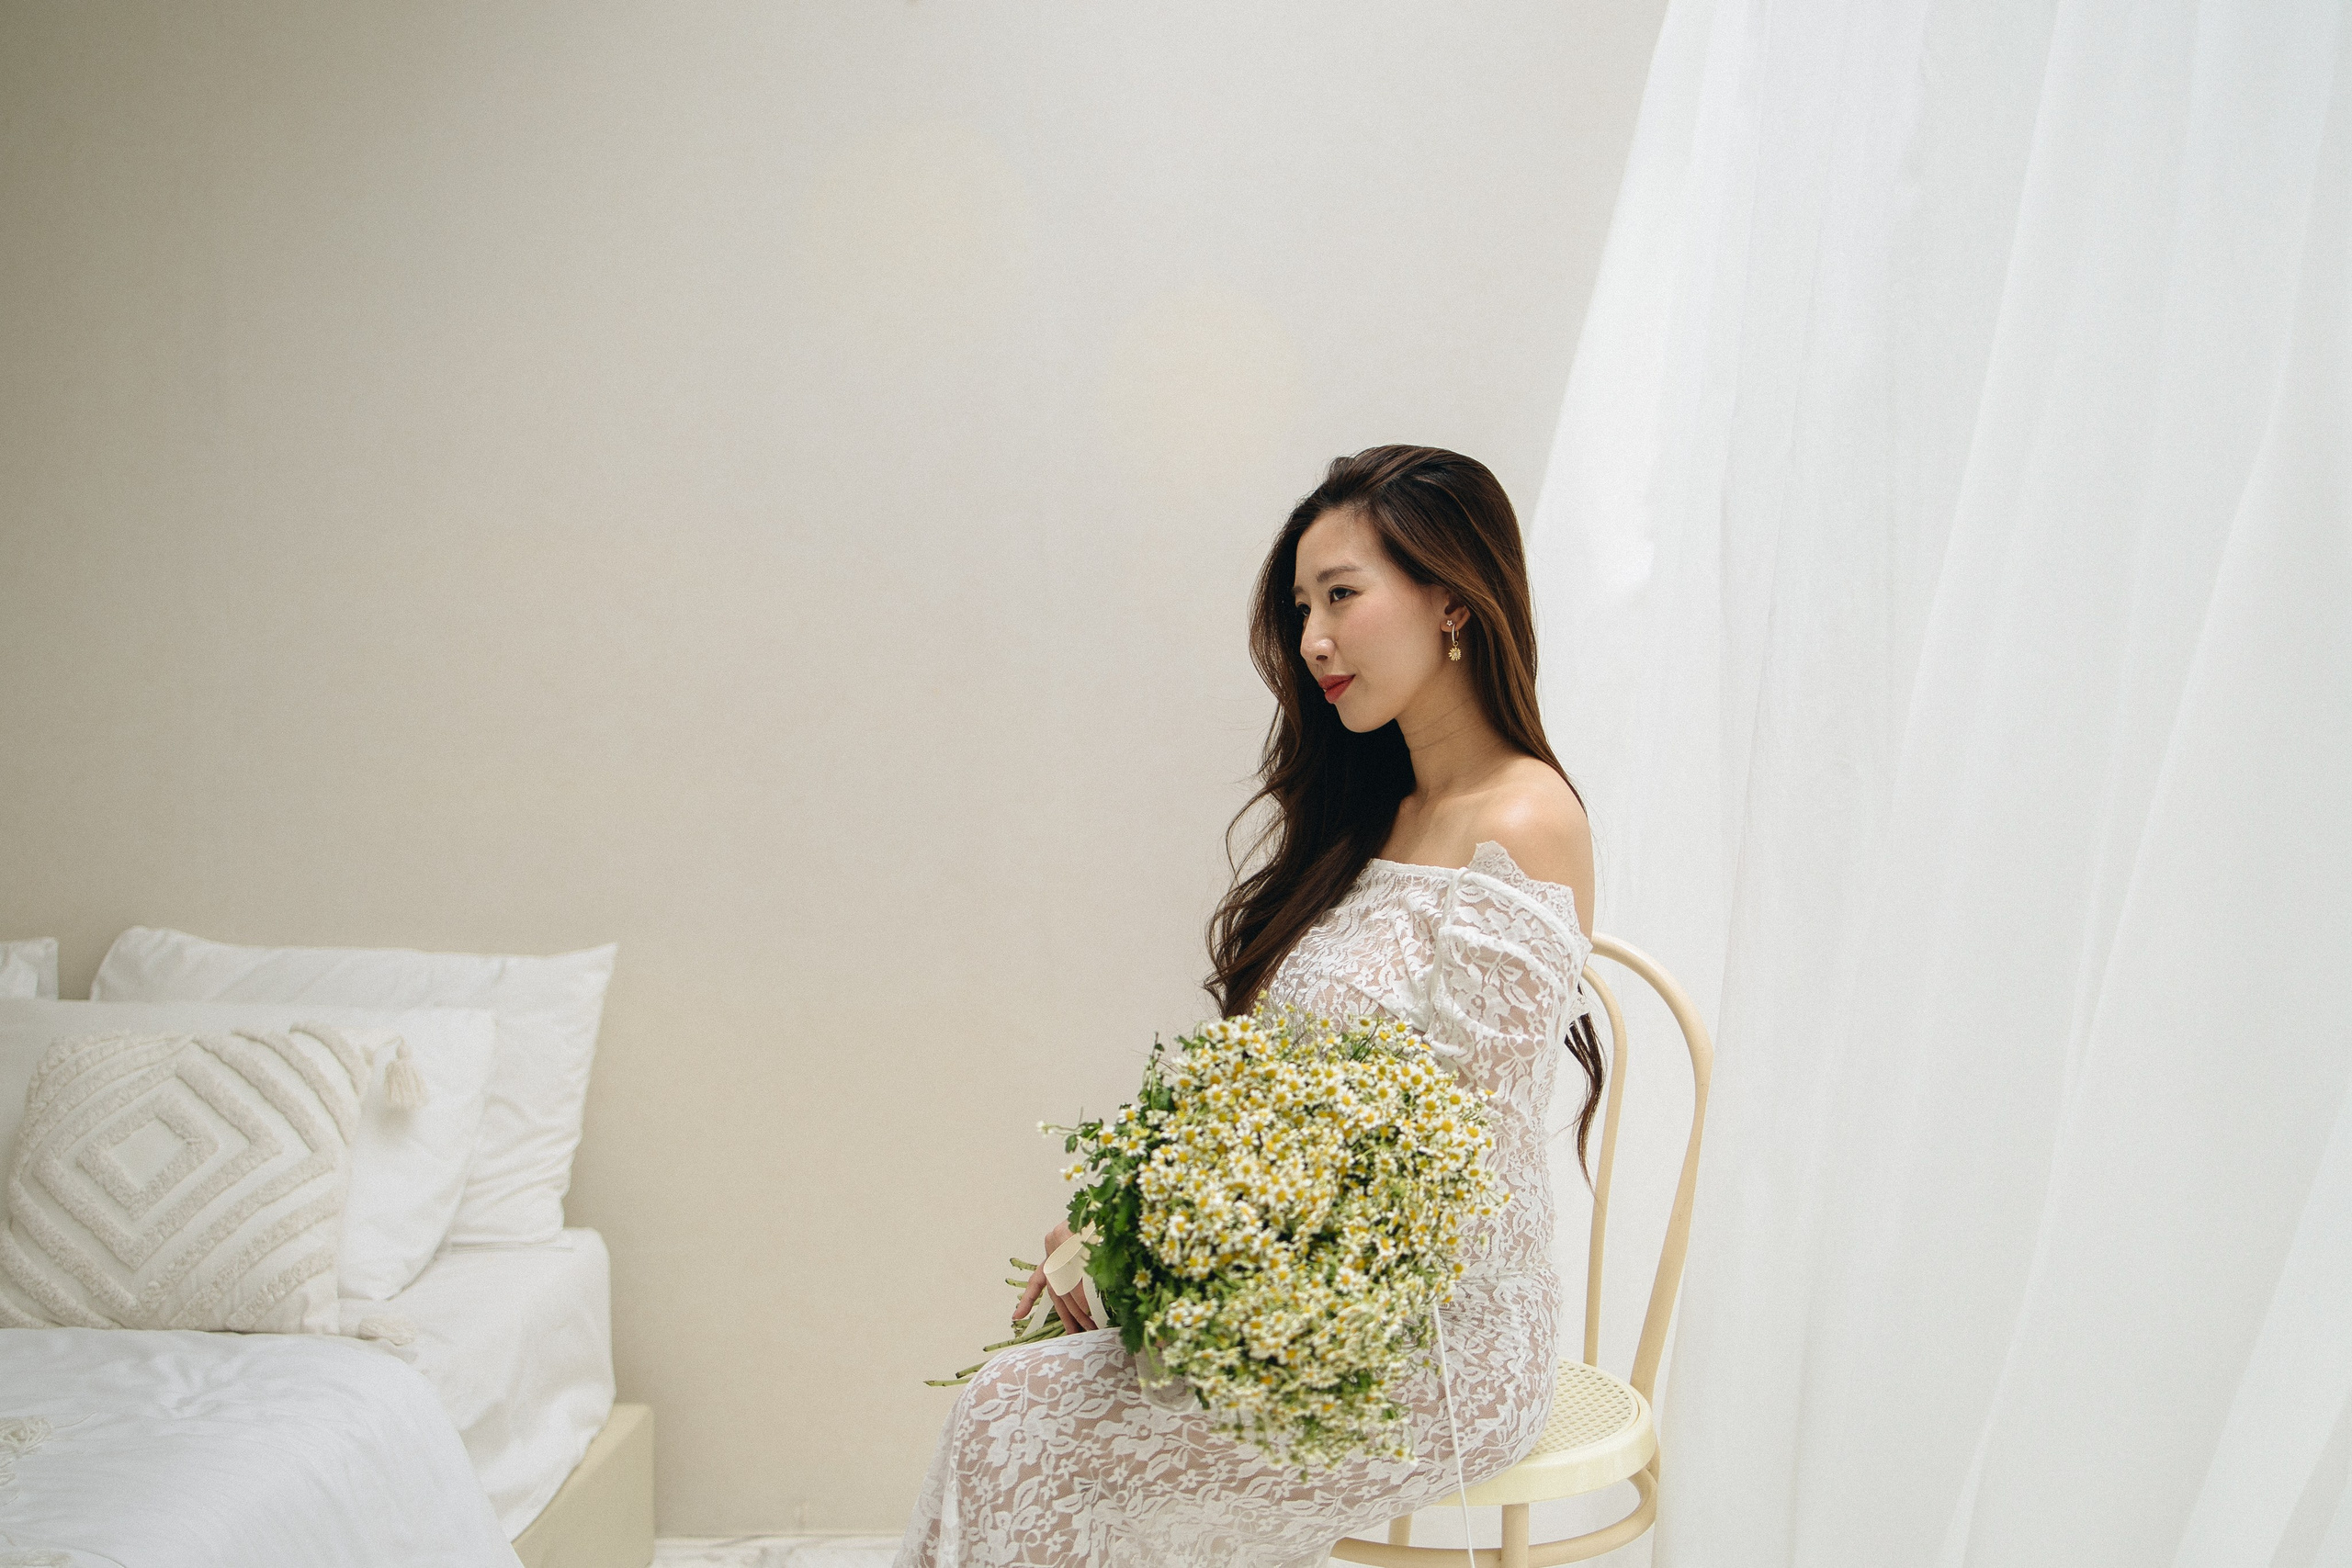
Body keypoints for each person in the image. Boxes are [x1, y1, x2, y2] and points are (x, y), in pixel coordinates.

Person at [894, 446, 1603, 1567]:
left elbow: (1448, 1161)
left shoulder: (1521, 820)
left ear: (1453, 600)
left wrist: (1188, 1250)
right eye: (1301, 606)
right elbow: (1273, 1095)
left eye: (1341, 596)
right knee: (1009, 1398)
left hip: (1441, 1338)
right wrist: (1128, 1228)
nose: (1313, 638)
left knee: (1021, 1417)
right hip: (1310, 1287)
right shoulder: (1377, 813)